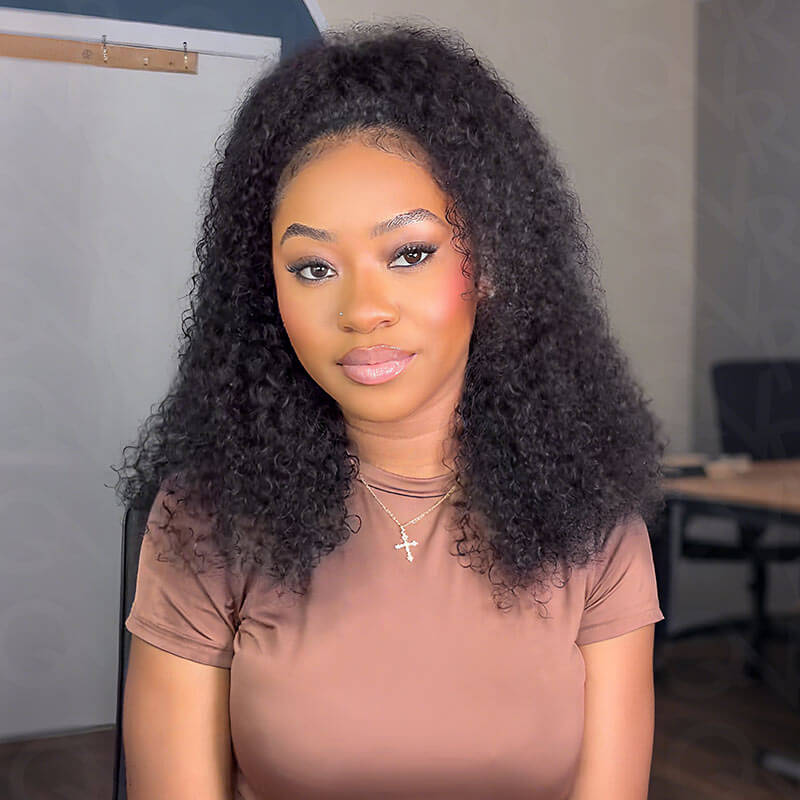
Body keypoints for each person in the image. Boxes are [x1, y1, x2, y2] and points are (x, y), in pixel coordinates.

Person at [115, 20, 666, 800]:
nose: (362, 309)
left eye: (409, 254)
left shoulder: (593, 526)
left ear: (491, 263)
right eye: (313, 267)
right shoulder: (205, 522)